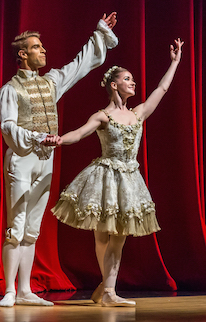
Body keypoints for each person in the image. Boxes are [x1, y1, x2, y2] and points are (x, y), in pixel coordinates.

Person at [44, 38, 184, 307]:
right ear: (113, 84)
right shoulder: (103, 116)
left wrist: (175, 62)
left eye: (132, 79)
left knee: (118, 236)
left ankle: (107, 289)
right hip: (105, 176)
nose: (133, 83)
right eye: (127, 79)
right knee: (101, 234)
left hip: (130, 179)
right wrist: (60, 139)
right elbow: (80, 133)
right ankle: (108, 290)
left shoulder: (139, 113)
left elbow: (162, 88)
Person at [0, 12, 118, 307]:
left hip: (45, 160)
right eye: (37, 47)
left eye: (42, 46)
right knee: (17, 223)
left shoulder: (51, 82)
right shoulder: (10, 89)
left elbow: (79, 66)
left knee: (33, 226)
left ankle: (25, 290)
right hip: (22, 158)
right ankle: (10, 291)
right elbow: (7, 126)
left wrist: (99, 31)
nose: (44, 50)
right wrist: (37, 137)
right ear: (23, 54)